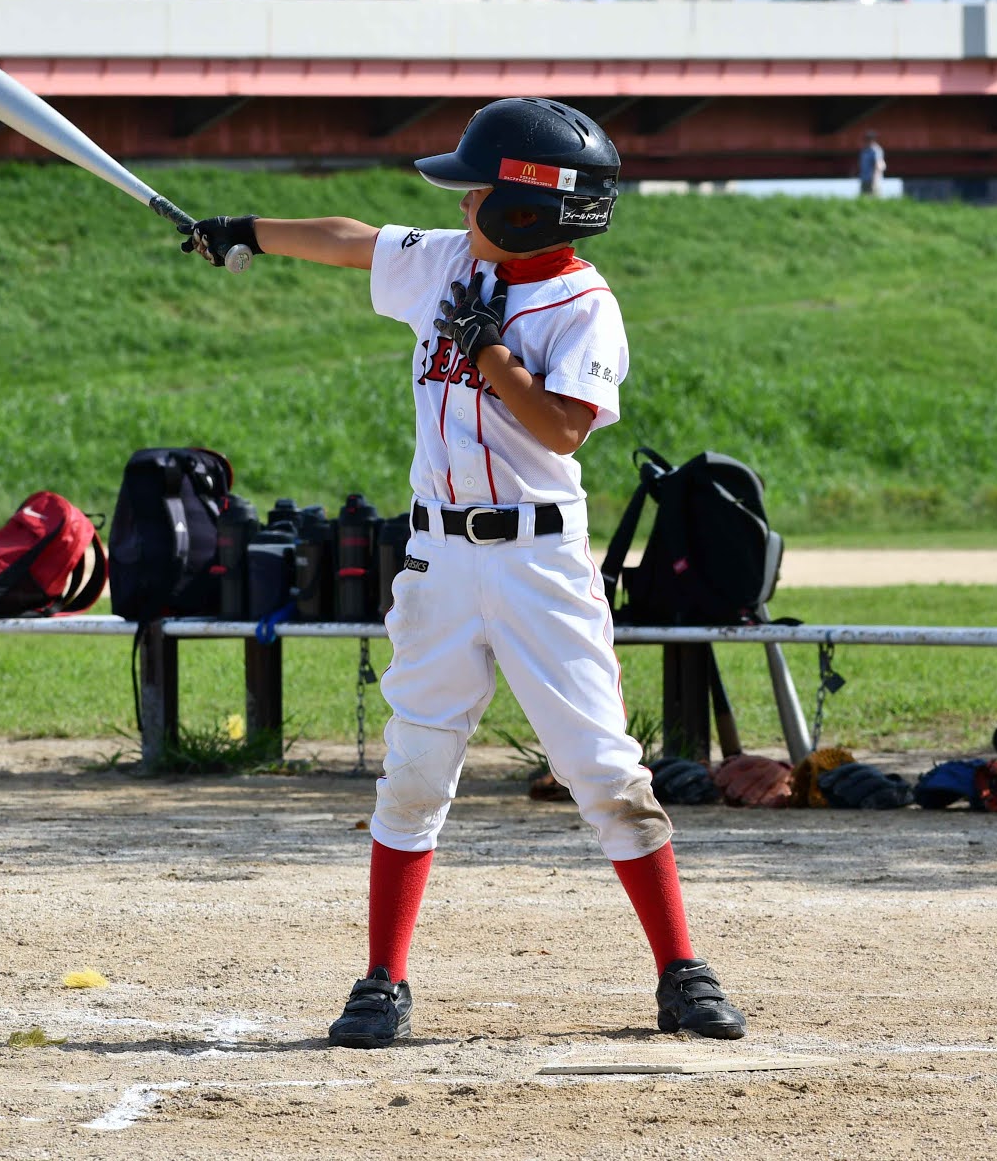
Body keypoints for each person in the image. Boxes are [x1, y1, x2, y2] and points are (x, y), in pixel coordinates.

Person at [180, 98, 748, 1048]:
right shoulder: (451, 261)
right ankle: (383, 980)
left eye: (479, 190)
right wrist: (246, 230)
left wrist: (487, 350)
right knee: (413, 768)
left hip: (538, 562)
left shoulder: (585, 306)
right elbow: (353, 239)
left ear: (529, 210)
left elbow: (562, 427)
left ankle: (681, 970)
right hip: (439, 557)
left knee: (604, 769)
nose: (463, 202)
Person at [858, 130, 887, 197]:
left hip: (873, 179)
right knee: (864, 198)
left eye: (869, 139)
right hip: (864, 178)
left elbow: (878, 165)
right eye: (867, 139)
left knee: (874, 196)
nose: (868, 141)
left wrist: (875, 179)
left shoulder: (876, 150)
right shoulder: (864, 151)